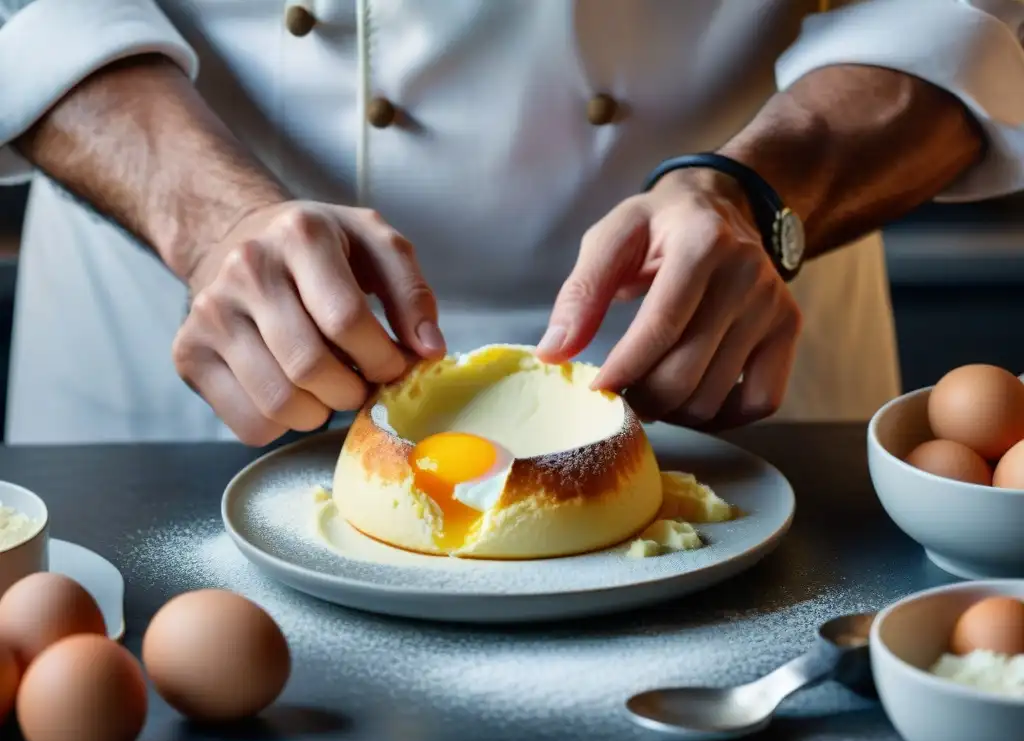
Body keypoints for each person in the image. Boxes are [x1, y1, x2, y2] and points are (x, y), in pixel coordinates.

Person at [1, 0, 1023, 445]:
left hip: (714, 344)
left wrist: (759, 197)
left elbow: (976, 14)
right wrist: (210, 222)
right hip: (176, 351)